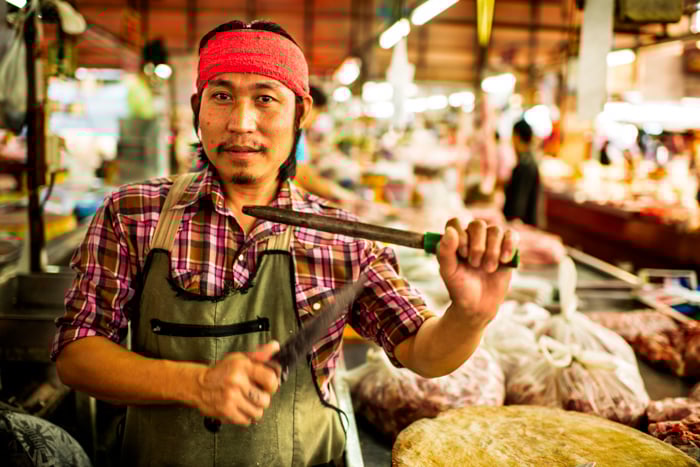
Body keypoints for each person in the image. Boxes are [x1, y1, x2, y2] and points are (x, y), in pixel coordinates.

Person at [51, 19, 519, 466]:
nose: (241, 122)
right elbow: (77, 354)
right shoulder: (134, 213)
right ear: (197, 109)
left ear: (302, 111)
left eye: (265, 99)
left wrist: (471, 315)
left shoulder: (344, 239)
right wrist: (195, 384)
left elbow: (423, 352)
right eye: (221, 96)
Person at [503, 118, 540, 226]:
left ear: (516, 137)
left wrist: (514, 222)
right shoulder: (528, 160)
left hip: (523, 225)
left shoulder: (526, 164)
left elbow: (520, 201)